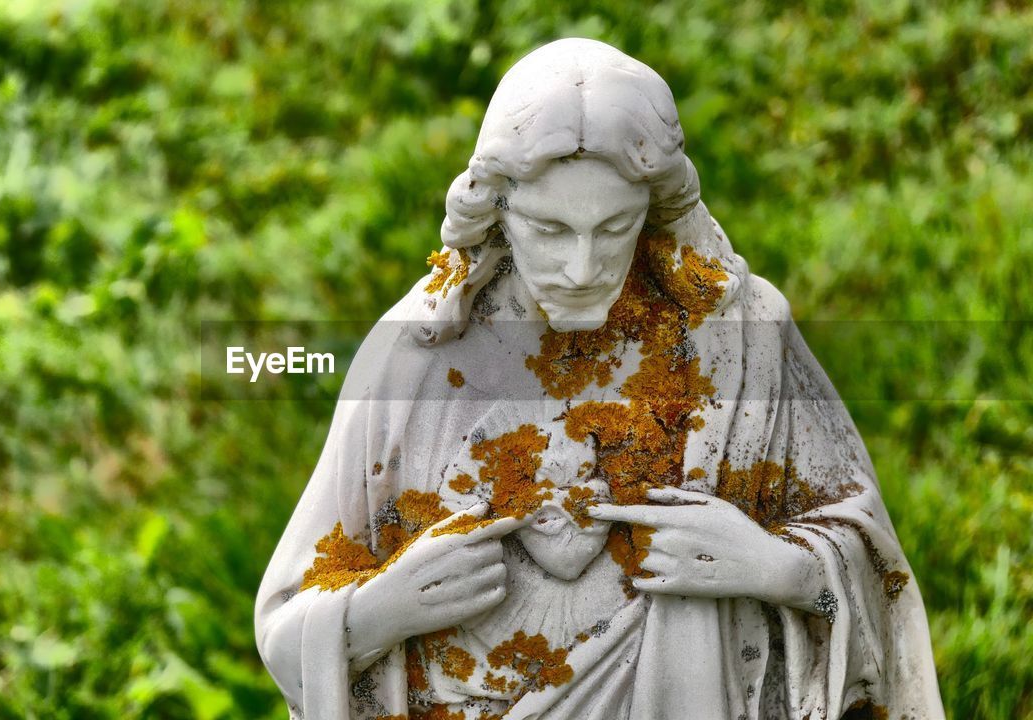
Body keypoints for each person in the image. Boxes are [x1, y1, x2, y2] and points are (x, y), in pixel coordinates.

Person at [255, 38, 944, 720]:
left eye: (613, 228)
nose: (582, 267)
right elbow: (287, 635)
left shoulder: (737, 339)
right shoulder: (419, 357)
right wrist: (378, 612)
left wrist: (776, 568)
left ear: (655, 209)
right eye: (550, 230)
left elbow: (881, 587)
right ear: (496, 210)